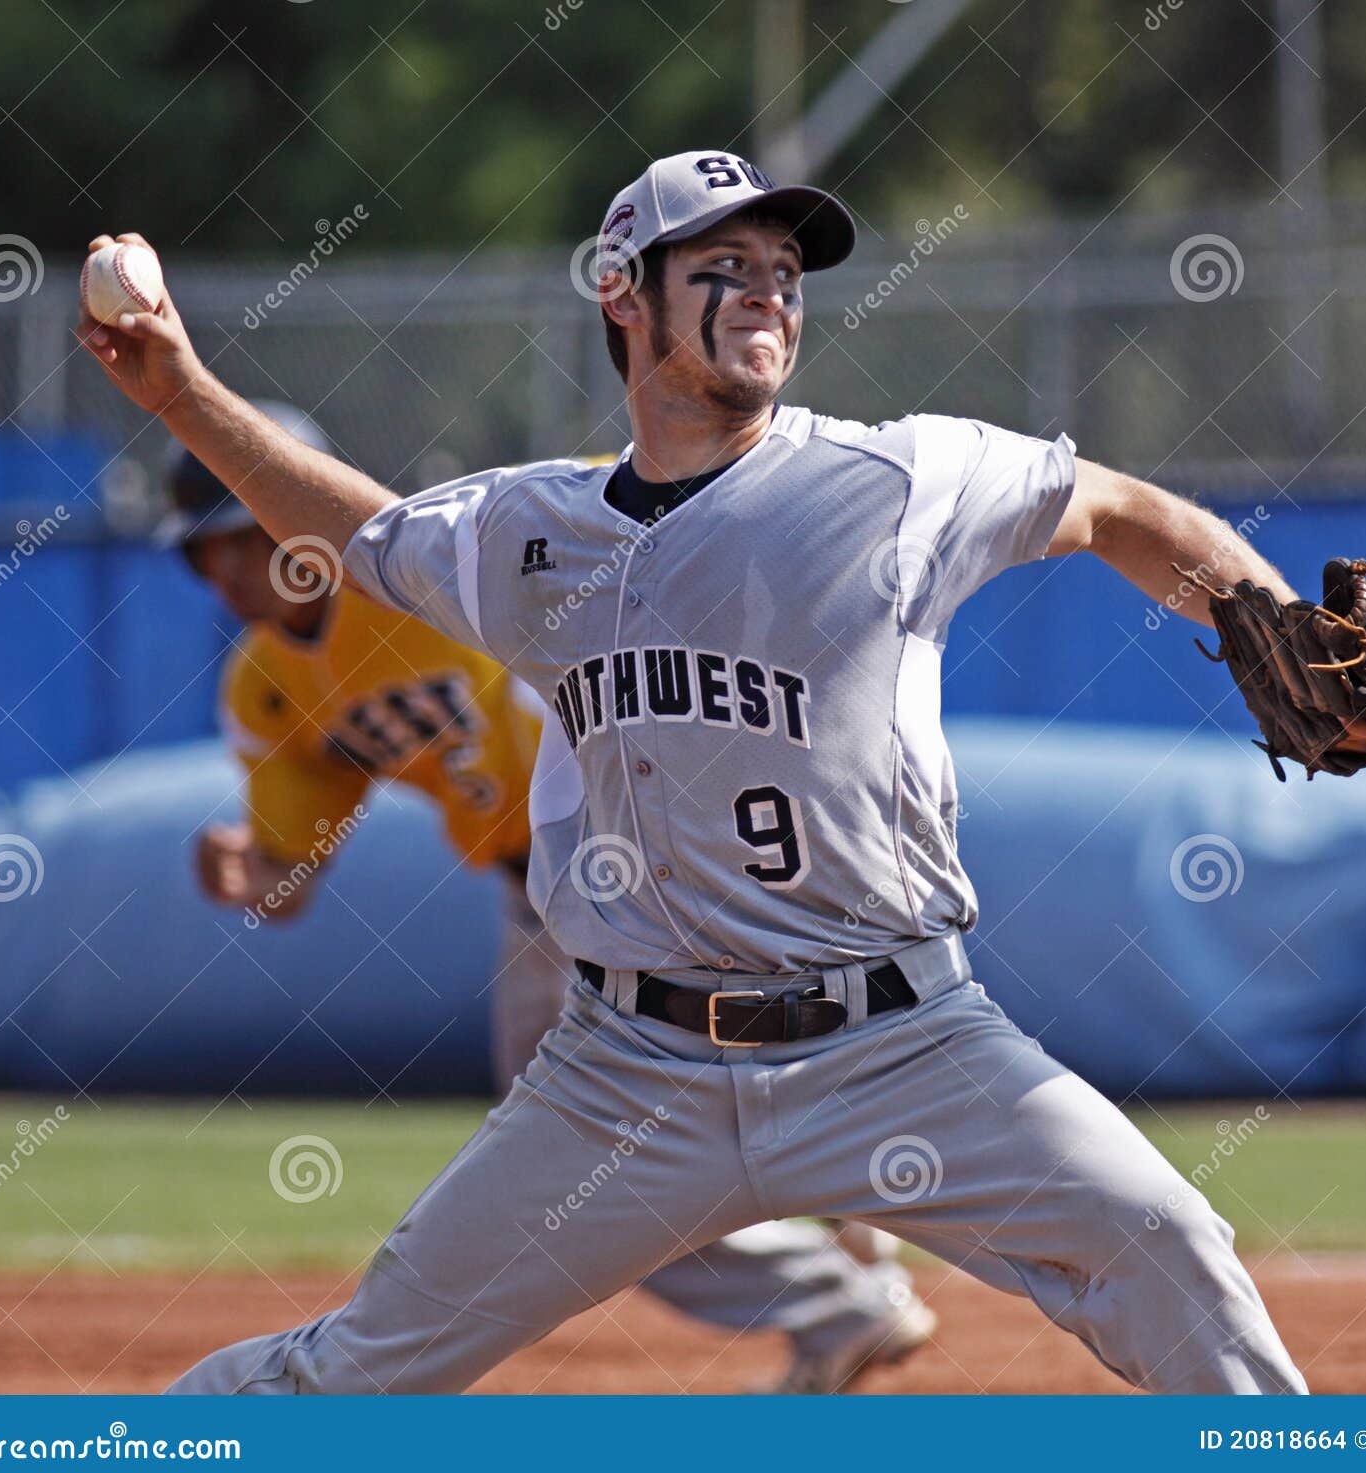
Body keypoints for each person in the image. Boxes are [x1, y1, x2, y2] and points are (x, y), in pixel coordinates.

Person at [77, 148, 1366, 1394]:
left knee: (1168, 1243)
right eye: (720, 261)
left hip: (903, 1043)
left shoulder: (894, 480)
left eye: (783, 263)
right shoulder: (532, 534)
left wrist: (1262, 611)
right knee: (348, 1374)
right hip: (623, 1075)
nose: (767, 282)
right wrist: (177, 392)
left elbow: (1118, 509)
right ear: (624, 295)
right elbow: (359, 531)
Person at [155, 398, 933, 1394]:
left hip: (655, 850)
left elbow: (616, 490)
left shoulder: (425, 568)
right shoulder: (266, 684)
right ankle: (840, 1266)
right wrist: (247, 873)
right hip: (546, 904)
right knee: (612, 1150)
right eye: (204, 550)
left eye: (238, 530)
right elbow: (289, 873)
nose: (224, 566)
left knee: (582, 1169)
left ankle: (842, 1287)